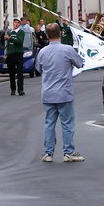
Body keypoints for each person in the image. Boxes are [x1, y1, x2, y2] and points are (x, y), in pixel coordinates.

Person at [36, 23, 85, 163]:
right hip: (64, 92)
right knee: (67, 123)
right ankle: (68, 152)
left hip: (48, 93)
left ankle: (48, 153)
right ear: (60, 34)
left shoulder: (42, 52)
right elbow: (79, 64)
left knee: (49, 123)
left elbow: (39, 69)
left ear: (47, 35)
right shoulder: (67, 49)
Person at [5, 18, 25, 97]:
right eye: (14, 23)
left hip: (18, 54)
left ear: (19, 24)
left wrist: (10, 38)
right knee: (11, 73)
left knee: (19, 73)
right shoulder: (10, 32)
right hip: (11, 54)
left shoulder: (21, 32)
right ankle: (12, 89)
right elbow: (8, 44)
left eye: (17, 23)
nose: (16, 24)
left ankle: (20, 89)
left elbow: (19, 42)